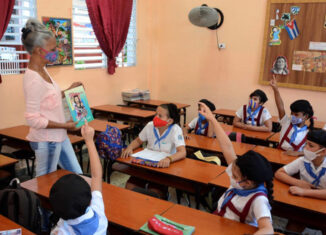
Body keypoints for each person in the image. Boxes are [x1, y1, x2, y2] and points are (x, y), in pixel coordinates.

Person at [199, 102, 274, 234]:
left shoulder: (258, 200)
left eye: (234, 176)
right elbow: (227, 146)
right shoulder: (242, 179)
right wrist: (212, 119)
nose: (231, 176)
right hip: (219, 223)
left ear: (248, 182)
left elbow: (268, 230)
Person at [22, 18, 82, 176]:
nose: (57, 51)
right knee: (44, 183)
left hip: (59, 137)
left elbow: (50, 97)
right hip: (47, 140)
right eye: (53, 48)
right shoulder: (33, 79)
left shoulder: (43, 69)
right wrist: (65, 126)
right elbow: (33, 119)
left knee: (77, 176)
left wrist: (69, 90)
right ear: (38, 51)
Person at [50, 122, 108, 234]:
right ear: (90, 201)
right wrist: (89, 141)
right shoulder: (99, 214)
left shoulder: (60, 232)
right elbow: (96, 176)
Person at [121, 103, 186, 198]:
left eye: (160, 116)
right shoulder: (150, 125)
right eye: (156, 114)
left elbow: (182, 152)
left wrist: (169, 159)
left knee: (154, 193)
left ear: (169, 121)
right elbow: (138, 140)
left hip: (163, 167)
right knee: (130, 187)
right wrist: (130, 147)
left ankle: (164, 196)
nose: (155, 117)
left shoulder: (176, 130)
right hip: (146, 163)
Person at [275, 129, 326, 200]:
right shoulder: (303, 160)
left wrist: (304, 192)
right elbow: (279, 173)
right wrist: (298, 182)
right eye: (306, 144)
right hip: (304, 200)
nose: (305, 148)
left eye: (311, 146)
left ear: (323, 151)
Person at [270, 75, 314, 156]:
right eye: (292, 113)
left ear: (306, 116)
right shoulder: (286, 122)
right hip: (279, 155)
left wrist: (297, 153)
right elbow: (280, 107)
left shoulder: (308, 133)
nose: (293, 116)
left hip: (294, 161)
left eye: (296, 114)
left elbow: (312, 152)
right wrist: (275, 89)